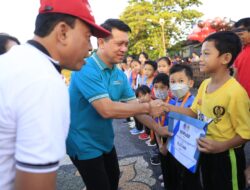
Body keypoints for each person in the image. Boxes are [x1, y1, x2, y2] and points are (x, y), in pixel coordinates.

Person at [0, 0, 111, 189]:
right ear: (63, 32)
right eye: (87, 36)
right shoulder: (43, 80)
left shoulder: (12, 61)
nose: (90, 47)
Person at [66, 19, 170, 190]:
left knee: (113, 181)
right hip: (82, 142)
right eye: (119, 44)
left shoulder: (119, 74)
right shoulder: (85, 68)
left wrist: (158, 130)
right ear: (101, 42)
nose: (124, 49)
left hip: (105, 140)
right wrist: (148, 107)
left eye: (126, 44)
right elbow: (106, 109)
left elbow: (134, 106)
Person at [164, 31, 250, 190]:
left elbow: (245, 133)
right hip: (205, 151)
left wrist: (221, 146)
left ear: (225, 58)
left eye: (206, 53)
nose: (200, 58)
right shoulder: (204, 85)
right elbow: (193, 112)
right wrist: (167, 107)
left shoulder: (236, 93)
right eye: (201, 53)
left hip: (226, 156)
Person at [165, 64, 202, 190]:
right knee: (177, 176)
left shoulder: (195, 103)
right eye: (173, 82)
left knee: (191, 181)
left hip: (190, 150)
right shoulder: (172, 101)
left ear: (190, 83)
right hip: (176, 147)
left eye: (181, 81)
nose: (176, 85)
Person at [233, 17, 250, 97]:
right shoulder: (240, 52)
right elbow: (236, 74)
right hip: (243, 98)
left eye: (241, 34)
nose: (239, 38)